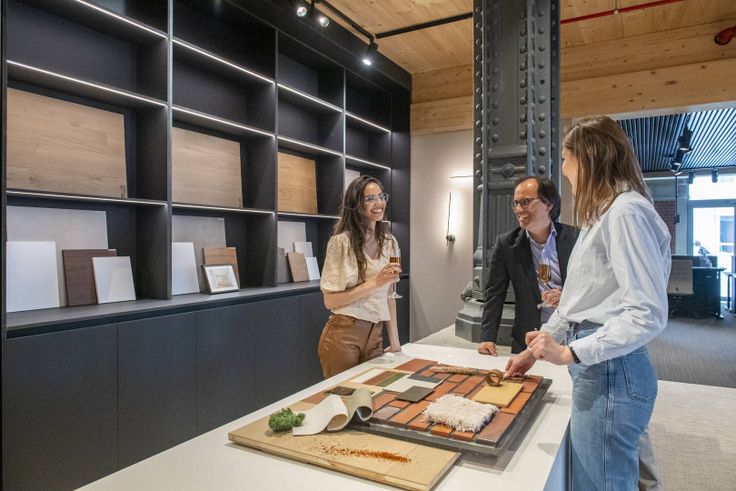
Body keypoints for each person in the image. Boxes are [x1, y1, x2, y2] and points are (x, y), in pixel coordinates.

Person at [506, 115, 671, 490]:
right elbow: (577, 303)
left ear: (586, 158)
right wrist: (534, 350)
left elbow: (646, 313)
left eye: (566, 160)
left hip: (610, 371)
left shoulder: (625, 212)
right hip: (602, 368)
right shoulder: (608, 213)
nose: (564, 171)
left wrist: (571, 353)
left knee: (600, 483)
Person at [478, 176, 578, 355]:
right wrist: (488, 336)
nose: (518, 209)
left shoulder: (575, 238)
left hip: (570, 338)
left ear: (548, 204)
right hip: (528, 339)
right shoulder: (507, 244)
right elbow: (495, 292)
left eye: (525, 202)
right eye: (515, 203)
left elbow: (591, 286)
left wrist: (567, 297)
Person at [317, 176, 402, 378]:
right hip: (343, 335)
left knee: (375, 392)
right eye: (370, 198)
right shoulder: (341, 243)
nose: (379, 203)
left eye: (381, 197)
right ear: (356, 204)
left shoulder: (390, 242)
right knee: (343, 395)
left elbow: (389, 296)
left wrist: (395, 342)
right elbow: (329, 300)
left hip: (375, 336)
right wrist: (375, 282)